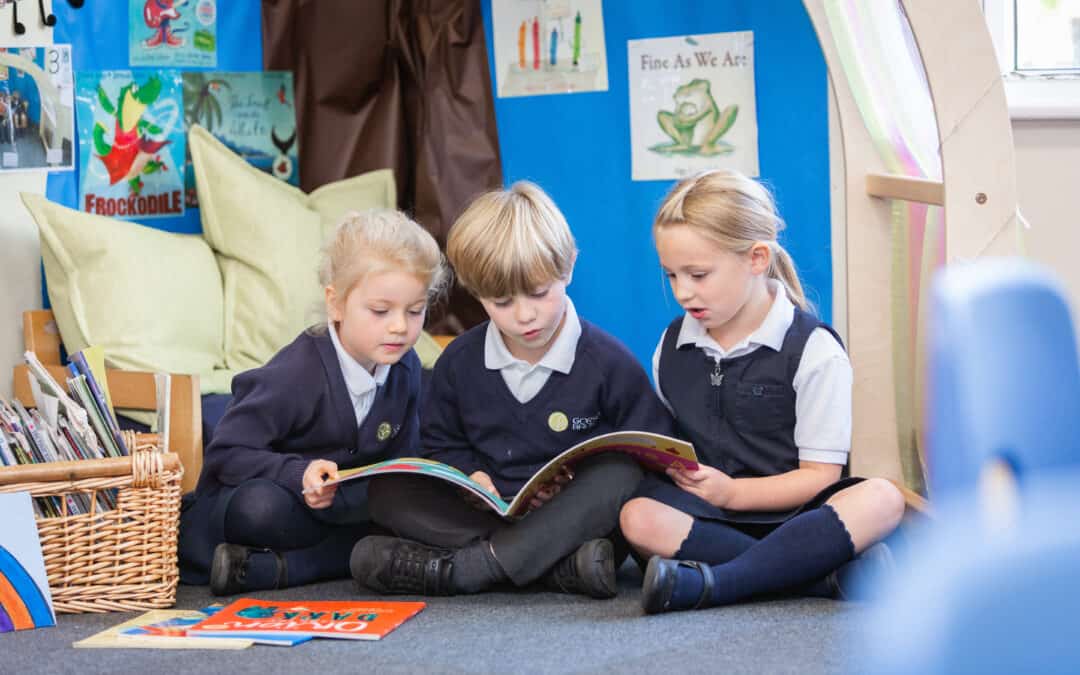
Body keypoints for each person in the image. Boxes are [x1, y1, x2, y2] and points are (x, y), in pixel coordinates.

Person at [350, 181, 675, 599]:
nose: (525, 315)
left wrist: (577, 478)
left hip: (571, 522)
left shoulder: (609, 362)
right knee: (388, 490)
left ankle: (466, 569)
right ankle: (553, 570)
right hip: (491, 515)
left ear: (569, 266)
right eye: (502, 302)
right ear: (476, 293)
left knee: (621, 476)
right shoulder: (459, 362)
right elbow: (441, 445)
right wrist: (473, 477)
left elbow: (654, 453)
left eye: (539, 293)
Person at [619, 169, 905, 614]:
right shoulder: (670, 347)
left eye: (698, 274)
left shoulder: (814, 351)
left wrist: (735, 493)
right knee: (636, 517)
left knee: (883, 499)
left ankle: (719, 582)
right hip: (711, 515)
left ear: (756, 258)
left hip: (798, 514)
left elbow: (820, 477)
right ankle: (818, 576)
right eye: (671, 275)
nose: (682, 291)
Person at [178, 208, 450, 595]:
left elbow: (402, 462)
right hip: (273, 499)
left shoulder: (406, 368)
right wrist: (298, 474)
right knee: (259, 510)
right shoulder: (296, 374)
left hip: (344, 508)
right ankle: (325, 562)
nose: (400, 327)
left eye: (415, 311)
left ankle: (277, 569)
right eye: (380, 311)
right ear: (335, 304)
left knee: (417, 509)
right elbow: (226, 454)